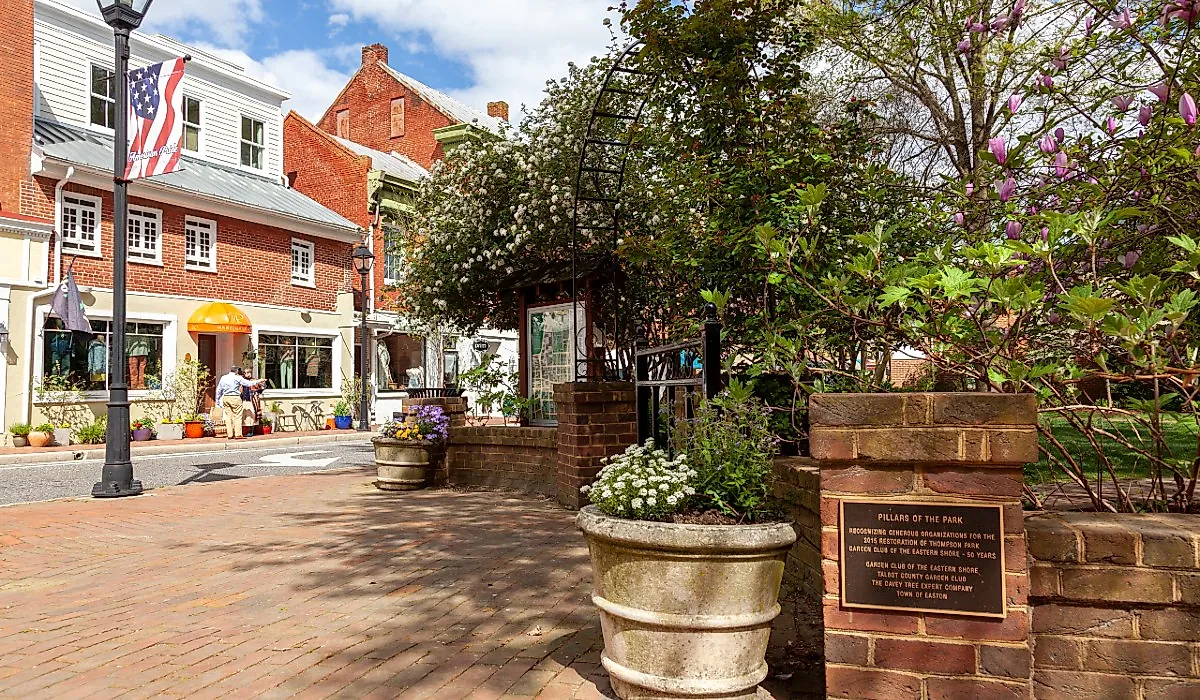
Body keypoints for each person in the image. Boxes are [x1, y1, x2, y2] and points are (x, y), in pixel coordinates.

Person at [215, 366, 264, 440]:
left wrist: (217, 400)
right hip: (235, 397)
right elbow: (248, 383)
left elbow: (219, 390)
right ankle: (238, 434)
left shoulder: (223, 377)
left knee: (228, 417)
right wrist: (259, 380)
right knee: (237, 416)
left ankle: (230, 434)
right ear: (237, 371)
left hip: (226, 397)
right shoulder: (237, 377)